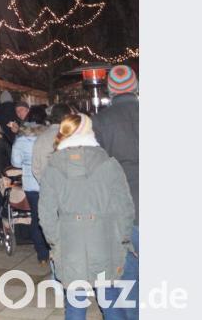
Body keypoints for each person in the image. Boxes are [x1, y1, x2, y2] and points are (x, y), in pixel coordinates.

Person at [39, 114, 134, 320]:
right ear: (89, 131)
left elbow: (46, 213)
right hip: (104, 239)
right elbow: (125, 208)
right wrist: (123, 239)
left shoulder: (52, 167)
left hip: (69, 240)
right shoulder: (109, 163)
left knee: (74, 302)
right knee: (109, 297)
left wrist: (56, 241)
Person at [92, 65, 139, 320]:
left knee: (123, 279)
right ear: (136, 87)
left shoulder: (100, 121)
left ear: (111, 90)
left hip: (119, 211)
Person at [10, 106, 49, 265]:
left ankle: (42, 254)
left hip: (32, 183)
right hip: (49, 182)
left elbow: (15, 163)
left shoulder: (21, 140)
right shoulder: (49, 137)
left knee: (36, 216)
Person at [31, 104, 74, 183]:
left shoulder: (41, 138)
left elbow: (35, 168)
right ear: (67, 117)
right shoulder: (71, 136)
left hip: (49, 187)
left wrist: (45, 184)